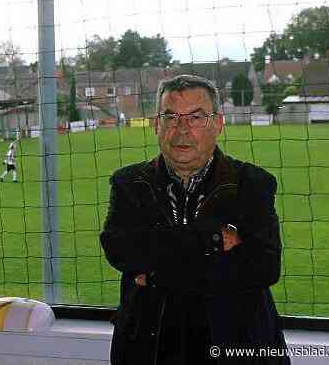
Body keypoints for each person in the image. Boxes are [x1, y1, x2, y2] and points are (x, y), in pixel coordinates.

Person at [100, 74, 289, 365]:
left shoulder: (253, 184)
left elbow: (263, 267)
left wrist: (156, 275)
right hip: (149, 350)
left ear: (218, 124)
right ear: (156, 124)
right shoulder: (129, 183)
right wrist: (211, 239)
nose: (182, 130)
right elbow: (121, 251)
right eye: (171, 117)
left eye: (196, 117)